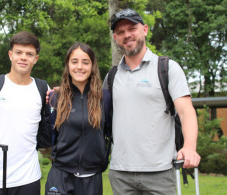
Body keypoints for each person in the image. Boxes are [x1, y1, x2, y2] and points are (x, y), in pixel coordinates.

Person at [104, 8, 201, 194]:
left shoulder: (167, 68)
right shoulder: (112, 76)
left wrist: (189, 147)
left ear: (145, 30)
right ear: (116, 38)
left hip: (160, 172)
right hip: (120, 172)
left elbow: (186, 111)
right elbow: (94, 107)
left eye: (132, 28)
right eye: (121, 32)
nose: (127, 35)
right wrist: (65, 91)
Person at [0, 31, 50, 195]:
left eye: (29, 54)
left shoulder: (43, 90)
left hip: (28, 179)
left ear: (36, 59)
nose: (23, 57)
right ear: (10, 55)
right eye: (19, 52)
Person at [45, 42, 111, 195]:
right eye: (74, 62)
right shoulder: (56, 98)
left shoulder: (105, 98)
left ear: (92, 66)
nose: (79, 67)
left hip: (92, 177)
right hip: (60, 176)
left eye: (85, 62)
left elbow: (109, 132)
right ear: (68, 65)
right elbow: (49, 134)